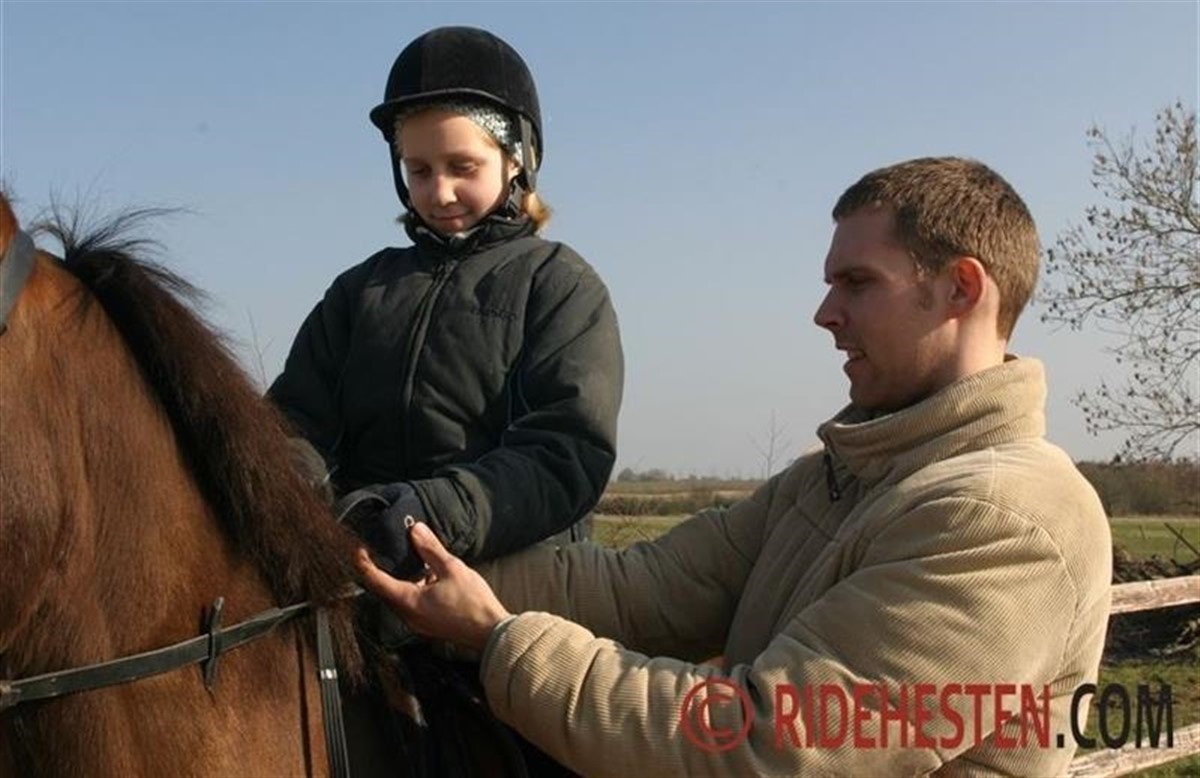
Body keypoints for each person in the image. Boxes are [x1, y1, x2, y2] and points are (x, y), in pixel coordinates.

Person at [355, 157, 1114, 776]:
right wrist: (398, 567)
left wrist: (498, 639)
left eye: (857, 283)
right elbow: (647, 589)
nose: (825, 313)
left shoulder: (1007, 520)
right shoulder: (836, 477)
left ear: (962, 289)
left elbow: (765, 743)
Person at [269, 26, 623, 574]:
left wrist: (431, 513)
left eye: (463, 167)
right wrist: (286, 481)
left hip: (510, 574)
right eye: (419, 170)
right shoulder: (358, 291)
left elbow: (567, 452)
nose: (440, 192)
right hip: (364, 565)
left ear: (517, 160)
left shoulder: (560, 285)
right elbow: (295, 421)